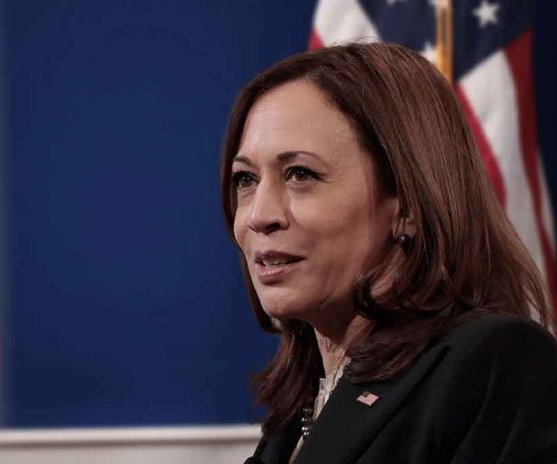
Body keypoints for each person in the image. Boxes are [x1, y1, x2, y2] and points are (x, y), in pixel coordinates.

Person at [219, 42, 557, 464]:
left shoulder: (493, 364)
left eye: (301, 174)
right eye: (245, 178)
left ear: (409, 206)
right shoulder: (298, 407)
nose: (258, 215)